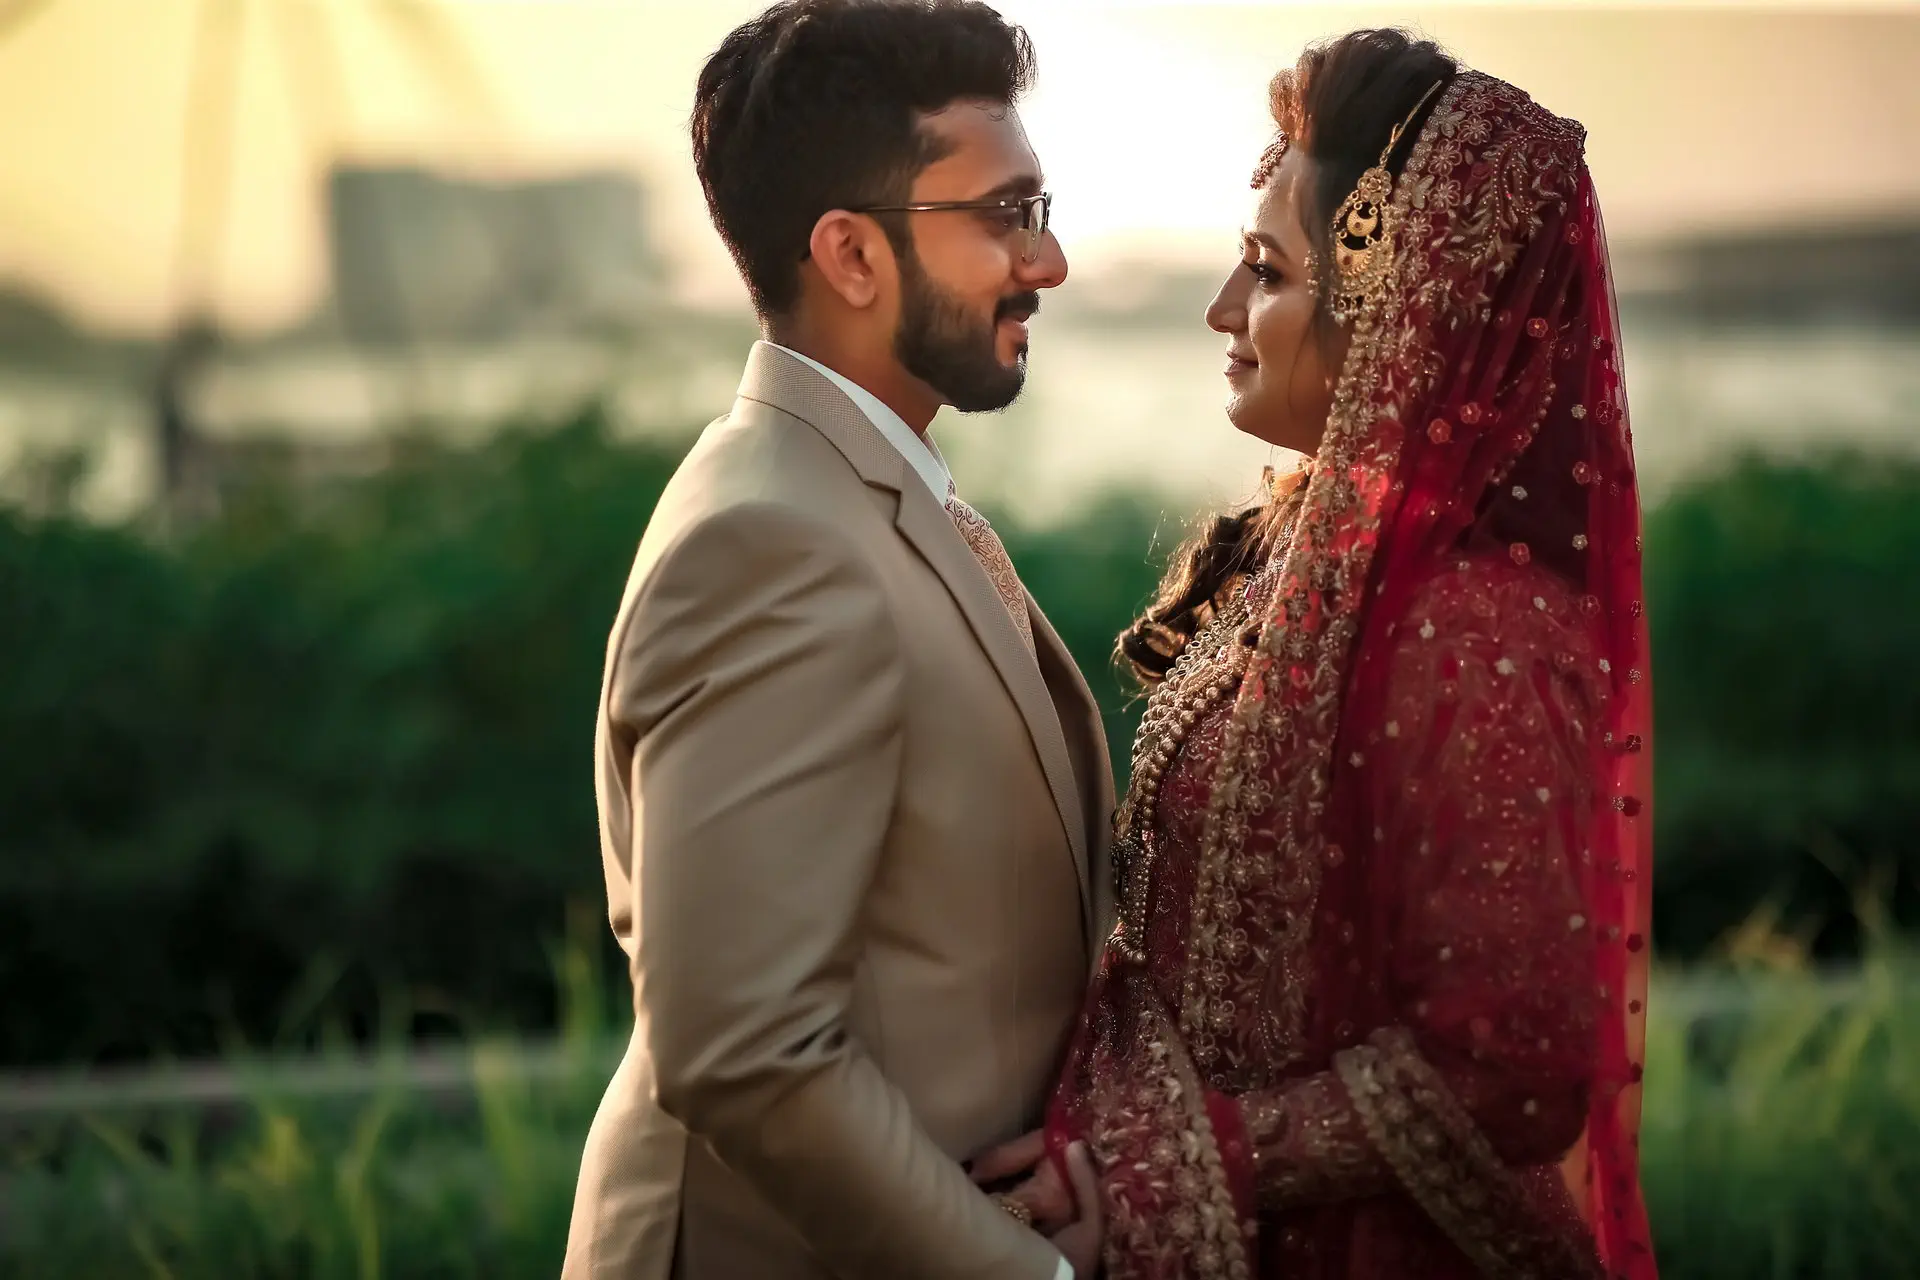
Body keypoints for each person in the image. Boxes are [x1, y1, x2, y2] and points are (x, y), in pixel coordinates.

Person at [978, 28, 1659, 1280]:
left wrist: (1188, 1158)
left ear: (1396, 306)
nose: (1223, 310)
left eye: (1267, 271)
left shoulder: (1475, 631)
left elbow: (1516, 1056)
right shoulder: (1300, 558)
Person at [562, 2, 1110, 1278]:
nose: (1051, 261)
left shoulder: (850, 489)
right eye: (1008, 214)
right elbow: (744, 1052)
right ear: (851, 256)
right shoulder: (776, 543)